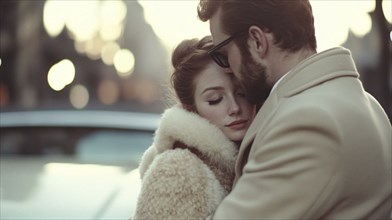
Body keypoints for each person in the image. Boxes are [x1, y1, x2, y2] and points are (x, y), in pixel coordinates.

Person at [197, 0, 392, 219]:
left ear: (257, 41)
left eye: (223, 55)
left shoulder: (305, 122)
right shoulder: (367, 103)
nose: (228, 69)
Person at [132, 36, 256, 219]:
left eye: (242, 93)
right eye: (215, 99)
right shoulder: (177, 169)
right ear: (192, 109)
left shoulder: (244, 161)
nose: (235, 108)